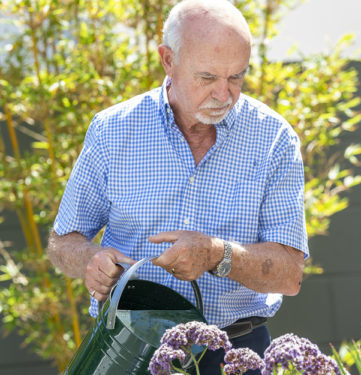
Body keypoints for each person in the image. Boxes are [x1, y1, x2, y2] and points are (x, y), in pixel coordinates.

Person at [47, 0, 309, 374]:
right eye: (208, 78)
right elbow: (62, 242)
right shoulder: (112, 131)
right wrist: (90, 260)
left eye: (236, 77)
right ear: (168, 60)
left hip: (234, 353)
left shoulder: (274, 139)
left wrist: (217, 255)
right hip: (126, 346)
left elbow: (289, 273)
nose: (224, 94)